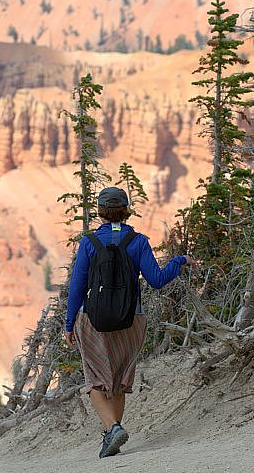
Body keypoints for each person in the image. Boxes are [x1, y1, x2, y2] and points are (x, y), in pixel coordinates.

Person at [64, 186, 194, 458]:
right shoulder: (138, 241)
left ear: (100, 212)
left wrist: (68, 324)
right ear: (126, 211)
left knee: (95, 380)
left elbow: (76, 288)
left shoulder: (89, 243)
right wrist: (179, 261)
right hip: (131, 319)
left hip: (92, 320)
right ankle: (112, 435)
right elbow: (157, 280)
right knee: (119, 379)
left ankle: (113, 428)